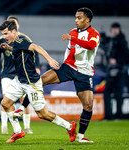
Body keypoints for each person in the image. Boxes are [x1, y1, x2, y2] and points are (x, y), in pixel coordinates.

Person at [15, 7, 100, 143]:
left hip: (84, 73)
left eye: (79, 18)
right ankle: (21, 108)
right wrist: (61, 63)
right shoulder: (73, 32)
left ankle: (80, 136)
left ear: (87, 19)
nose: (76, 20)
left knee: (88, 106)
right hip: (69, 67)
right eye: (75, 17)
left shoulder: (94, 34)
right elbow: (70, 50)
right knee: (40, 80)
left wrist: (72, 37)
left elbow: (90, 46)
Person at [0, 20, 76, 143]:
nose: (4, 37)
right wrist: (9, 47)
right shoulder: (16, 43)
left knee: (42, 114)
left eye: (6, 33)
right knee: (5, 103)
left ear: (14, 31)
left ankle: (70, 127)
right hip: (19, 81)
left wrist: (49, 60)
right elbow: (20, 51)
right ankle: (18, 132)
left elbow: (35, 47)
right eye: (3, 34)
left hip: (31, 83)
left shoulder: (20, 40)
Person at [0, 16, 38, 134]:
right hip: (7, 74)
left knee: (23, 100)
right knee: (6, 99)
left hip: (21, 73)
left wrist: (35, 67)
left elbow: (34, 52)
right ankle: (4, 127)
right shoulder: (2, 40)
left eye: (14, 24)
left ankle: (27, 127)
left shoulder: (24, 39)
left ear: (17, 26)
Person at [103, 22, 129, 120]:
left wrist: (117, 61)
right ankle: (109, 115)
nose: (114, 31)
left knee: (118, 93)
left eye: (116, 29)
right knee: (107, 92)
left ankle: (118, 115)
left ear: (119, 29)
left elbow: (127, 56)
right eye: (113, 29)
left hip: (119, 71)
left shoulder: (122, 41)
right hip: (111, 71)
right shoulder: (112, 41)